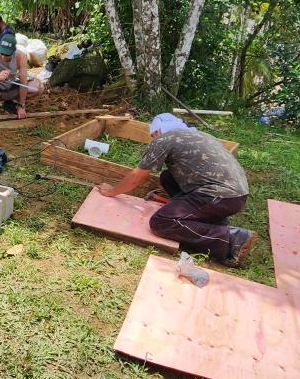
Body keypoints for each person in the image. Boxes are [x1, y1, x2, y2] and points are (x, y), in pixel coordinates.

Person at [97, 113, 256, 266]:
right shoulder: (201, 135)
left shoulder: (164, 139)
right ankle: (212, 220)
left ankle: (233, 239)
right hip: (237, 195)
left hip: (219, 196)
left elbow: (137, 177)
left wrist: (112, 191)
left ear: (157, 130)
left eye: (152, 135)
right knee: (167, 177)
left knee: (162, 222)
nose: (152, 139)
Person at [0, 32, 44, 118]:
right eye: (2, 53)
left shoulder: (21, 56)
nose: (3, 56)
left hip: (11, 87)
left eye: (7, 54)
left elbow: (23, 81)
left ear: (13, 51)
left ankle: (12, 103)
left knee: (38, 87)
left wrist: (21, 105)